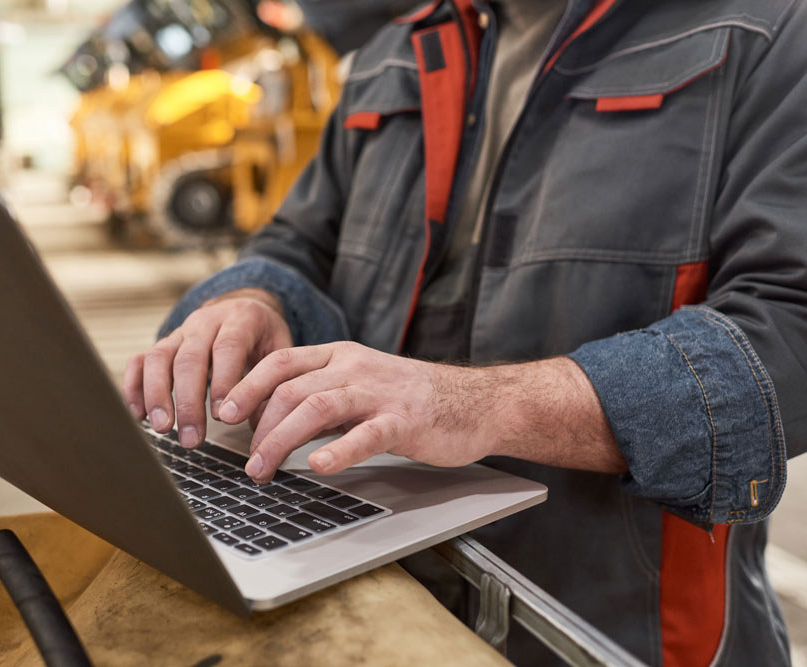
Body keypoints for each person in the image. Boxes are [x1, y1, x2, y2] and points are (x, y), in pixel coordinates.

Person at [124, 0, 807, 664]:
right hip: (375, 600)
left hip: (608, 629)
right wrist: (251, 298)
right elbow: (298, 242)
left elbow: (790, 329)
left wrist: (474, 404)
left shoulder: (769, 29)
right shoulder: (396, 52)